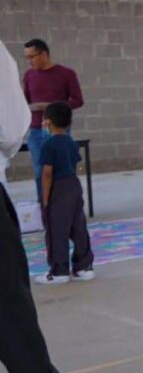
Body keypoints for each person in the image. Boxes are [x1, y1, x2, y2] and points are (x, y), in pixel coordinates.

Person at [1, 39, 115, 373]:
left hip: (46, 141)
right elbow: (10, 127)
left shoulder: (63, 76)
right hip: (31, 143)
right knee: (11, 311)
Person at [34, 103, 95, 285]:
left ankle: (59, 271)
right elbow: (74, 164)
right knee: (78, 226)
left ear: (47, 122)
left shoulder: (48, 145)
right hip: (74, 185)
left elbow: (47, 174)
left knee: (56, 230)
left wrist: (45, 199)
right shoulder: (70, 142)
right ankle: (83, 267)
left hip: (58, 188)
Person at [22, 39, 84, 203]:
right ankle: (45, 207)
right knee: (40, 171)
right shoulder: (29, 75)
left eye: (32, 57)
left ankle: (67, 205)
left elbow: (78, 100)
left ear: (44, 54)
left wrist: (50, 106)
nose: (29, 61)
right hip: (36, 130)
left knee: (64, 170)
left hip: (60, 130)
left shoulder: (66, 73)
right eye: (26, 57)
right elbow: (25, 101)